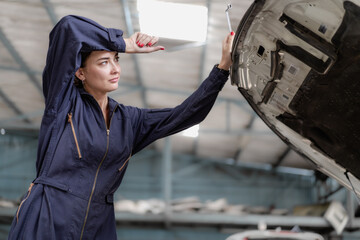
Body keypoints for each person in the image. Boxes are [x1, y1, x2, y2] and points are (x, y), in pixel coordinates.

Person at [8, 15, 234, 239]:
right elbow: (68, 27)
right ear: (81, 72)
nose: (115, 68)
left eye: (117, 59)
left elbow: (185, 115)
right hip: (47, 218)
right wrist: (123, 44)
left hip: (98, 224)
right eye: (104, 62)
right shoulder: (64, 100)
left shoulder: (130, 121)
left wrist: (222, 69)